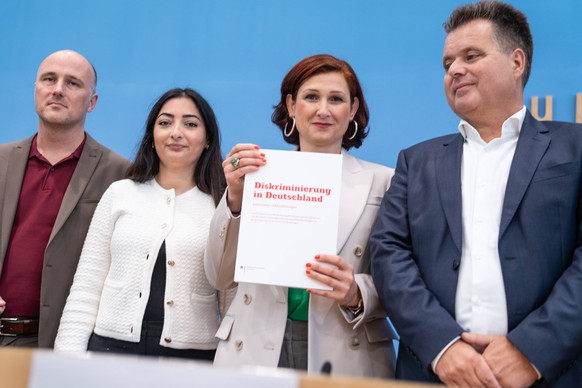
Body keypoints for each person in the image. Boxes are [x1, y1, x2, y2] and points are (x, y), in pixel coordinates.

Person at [370, 1, 582, 387]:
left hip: (552, 374)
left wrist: (531, 350)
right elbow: (388, 255)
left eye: (472, 56)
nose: (454, 69)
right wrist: (442, 347)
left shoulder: (576, 148)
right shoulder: (416, 161)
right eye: (447, 62)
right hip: (435, 374)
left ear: (516, 62)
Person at [205, 54, 396, 377]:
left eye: (336, 99)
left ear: (352, 110)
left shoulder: (385, 182)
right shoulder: (256, 175)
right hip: (256, 343)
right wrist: (235, 197)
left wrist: (357, 293)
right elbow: (218, 276)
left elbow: (406, 281)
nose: (323, 110)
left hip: (346, 346)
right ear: (291, 106)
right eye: (311, 97)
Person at [54, 88, 234, 360]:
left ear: (207, 139)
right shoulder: (120, 194)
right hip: (110, 351)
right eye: (165, 122)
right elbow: (87, 286)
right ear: (151, 137)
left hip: (193, 359)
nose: (176, 132)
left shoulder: (223, 206)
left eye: (190, 124)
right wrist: (66, 362)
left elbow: (231, 299)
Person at [0, 50, 129, 348]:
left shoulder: (120, 173)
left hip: (60, 346)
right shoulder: (2, 160)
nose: (58, 89)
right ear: (36, 90)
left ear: (92, 102)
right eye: (49, 79)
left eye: (72, 83)